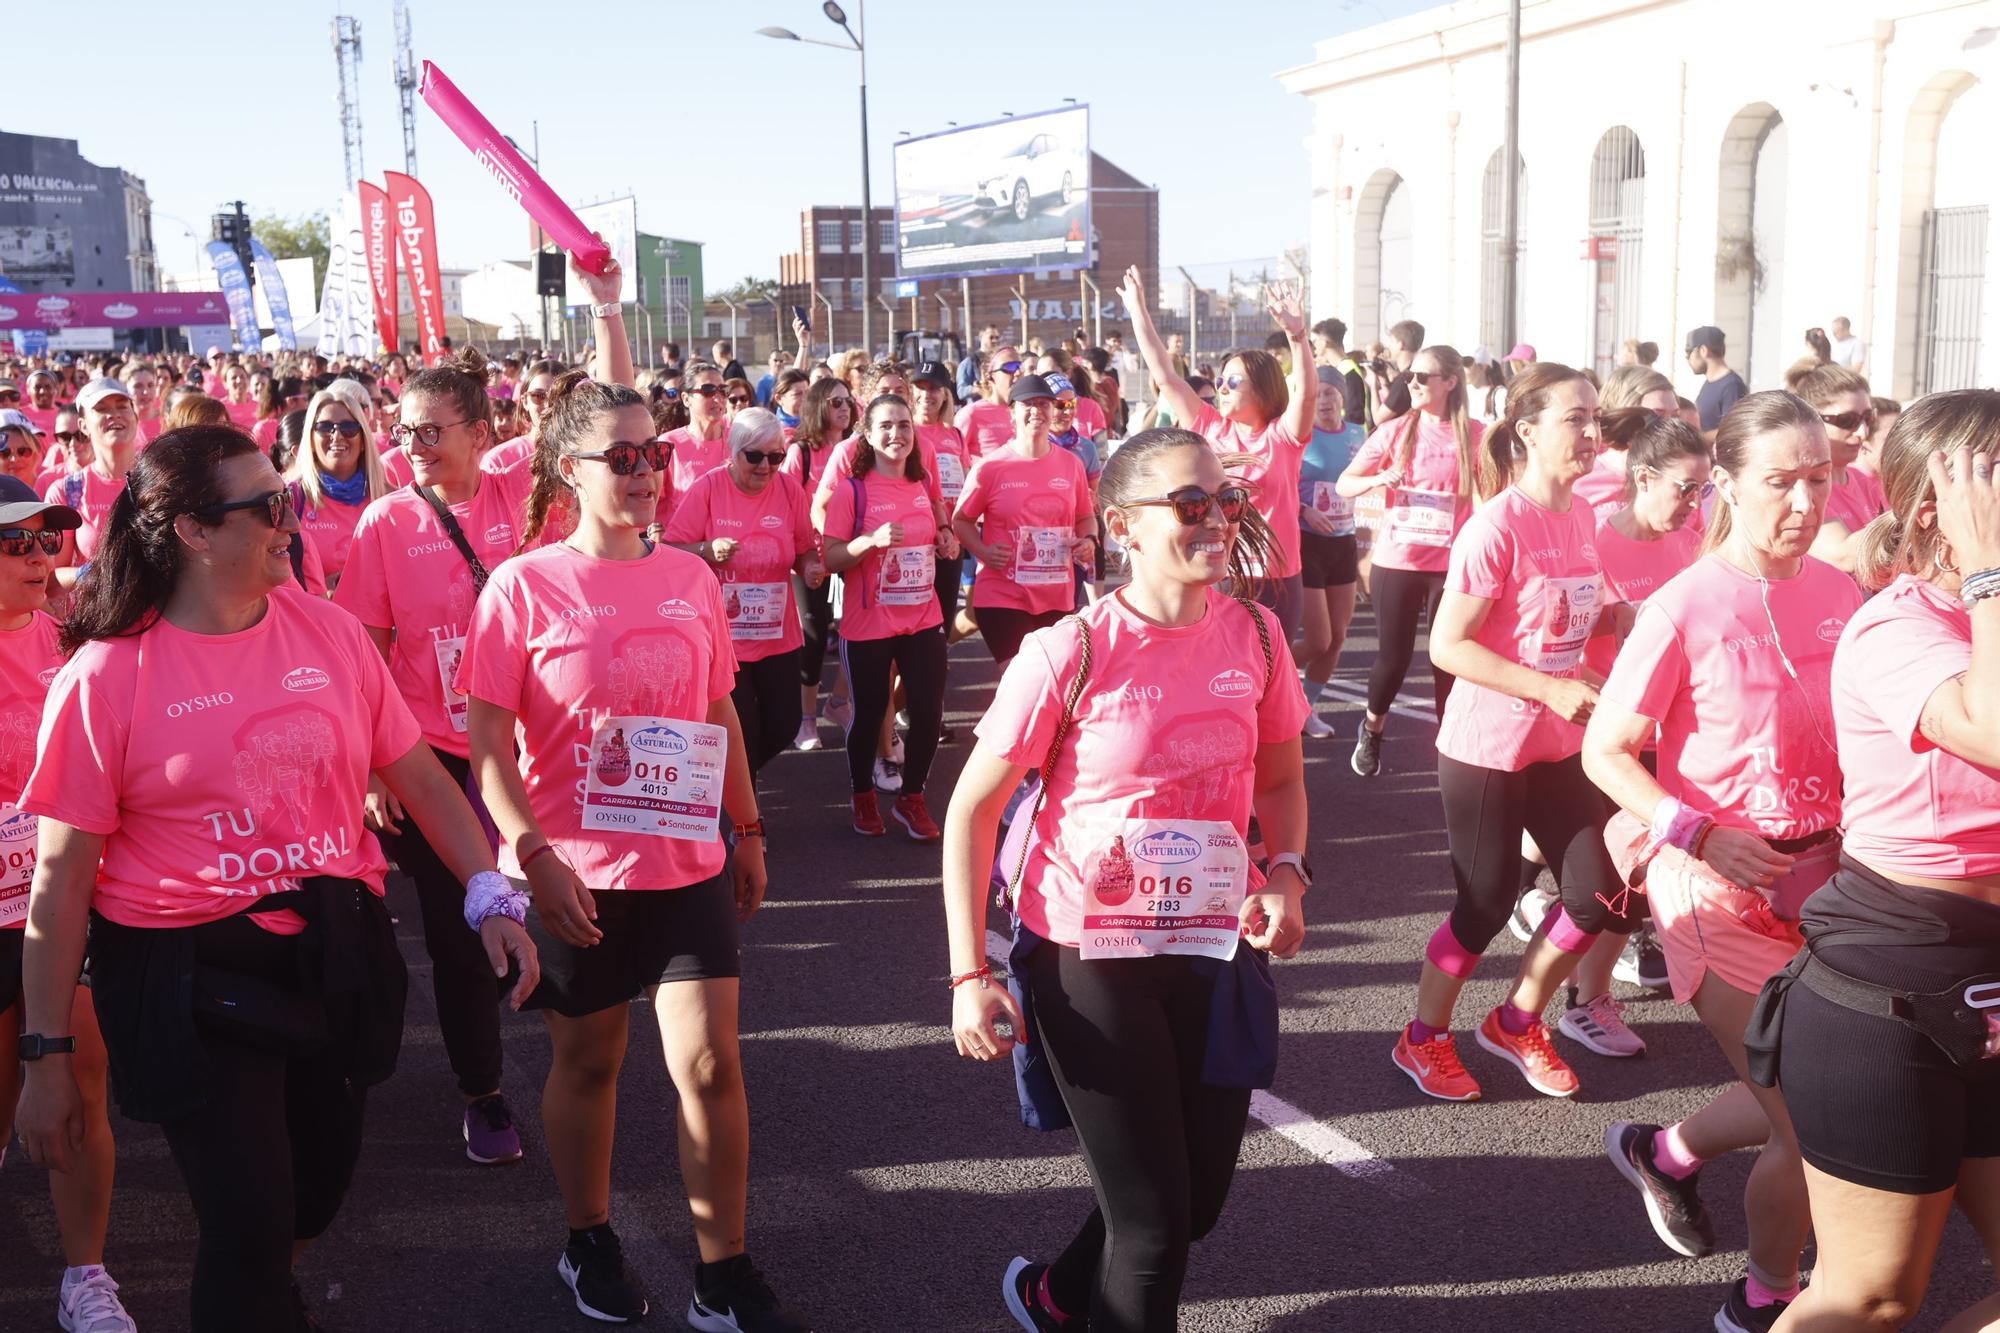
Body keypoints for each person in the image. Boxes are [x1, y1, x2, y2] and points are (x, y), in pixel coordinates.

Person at [12, 425, 535, 1331]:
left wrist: (487, 889)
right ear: (192, 532)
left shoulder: (328, 632)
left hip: (331, 951)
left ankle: (260, 1293)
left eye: (284, 498)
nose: (289, 520)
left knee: (316, 1194)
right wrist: (48, 1054)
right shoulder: (106, 676)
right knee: (248, 1222)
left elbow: (416, 776)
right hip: (184, 971)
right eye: (267, 506)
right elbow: (59, 888)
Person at [942, 427, 1310, 1333]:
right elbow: (970, 814)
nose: (1219, 519)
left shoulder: (1257, 636)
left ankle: (1059, 1295)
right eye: (1191, 504)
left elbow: (1281, 778)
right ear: (1122, 527)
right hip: (1087, 954)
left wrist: (1290, 875)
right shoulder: (1068, 652)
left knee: (1195, 1207)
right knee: (1150, 1231)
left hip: (1210, 943)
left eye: (1226, 501)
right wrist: (967, 973)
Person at [461, 372, 809, 1332]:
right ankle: (589, 1236)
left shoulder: (692, 576)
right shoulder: (521, 587)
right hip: (578, 875)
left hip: (688, 860)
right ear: (570, 471)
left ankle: (724, 1272)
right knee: (590, 1064)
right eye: (623, 457)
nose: (647, 471)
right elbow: (487, 743)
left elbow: (716, 705)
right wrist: (530, 854)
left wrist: (748, 826)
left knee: (710, 1066)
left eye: (655, 453)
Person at [1579, 390, 1855, 1333]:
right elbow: (1606, 749)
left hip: (1827, 883)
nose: (1805, 502)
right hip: (1713, 890)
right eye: (1781, 481)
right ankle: (1764, 1298)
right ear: (1728, 486)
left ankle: (1667, 1152)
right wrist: (1694, 829)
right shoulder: (1683, 603)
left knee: (1815, 1076)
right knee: (1811, 1123)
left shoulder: (1838, 589)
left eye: (1820, 479)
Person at [1741, 390, 2000, 1332]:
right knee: (1873, 1296)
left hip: (1991, 982)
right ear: (1941, 505)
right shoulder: (1896, 628)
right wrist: (1989, 570)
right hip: (1890, 992)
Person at [1387, 363, 1639, 1107]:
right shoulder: (1494, 526)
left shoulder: (1584, 515)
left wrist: (1618, 619)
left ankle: (1517, 1019)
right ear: (1528, 430)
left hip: (1558, 741)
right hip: (1487, 747)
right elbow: (1450, 645)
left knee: (1600, 892)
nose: (1593, 432)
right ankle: (1423, 1037)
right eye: (1576, 418)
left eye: (1597, 417)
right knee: (1485, 903)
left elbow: (1560, 615)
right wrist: (1551, 687)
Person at [334, 348, 537, 1163]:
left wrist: (603, 303)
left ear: (482, 432)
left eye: (431, 429)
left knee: (541, 907)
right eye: (404, 429)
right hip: (433, 759)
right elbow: (366, 656)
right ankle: (482, 1092)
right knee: (463, 934)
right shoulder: (385, 522)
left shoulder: (520, 489)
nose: (412, 443)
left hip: (530, 748)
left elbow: (600, 396)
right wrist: (377, 769)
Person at [0, 477, 137, 1332]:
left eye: (46, 539)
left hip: (66, 895)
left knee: (80, 1074)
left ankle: (85, 1272)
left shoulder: (77, 633)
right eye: (14, 543)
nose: (37, 555)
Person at [1118, 265, 1316, 643]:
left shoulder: (1283, 437)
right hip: (1221, 571)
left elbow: (1306, 394)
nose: (1221, 387)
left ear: (1262, 387)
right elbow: (1165, 376)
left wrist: (1297, 335)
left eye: (1233, 381)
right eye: (1221, 380)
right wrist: (1137, 310)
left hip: (1278, 578)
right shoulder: (1209, 427)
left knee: (1270, 671)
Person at [1337, 345, 1494, 777]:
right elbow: (1344, 484)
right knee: (1394, 656)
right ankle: (1372, 729)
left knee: (1449, 658)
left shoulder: (1475, 435)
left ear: (1450, 382)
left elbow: (1487, 497)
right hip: (1399, 561)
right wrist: (1379, 478)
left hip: (1450, 566)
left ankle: (1453, 747)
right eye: (1410, 376)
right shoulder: (1395, 432)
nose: (1413, 384)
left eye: (1423, 377)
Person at [820, 393, 958, 840]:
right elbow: (831, 556)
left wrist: (944, 539)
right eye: (885, 426)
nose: (896, 434)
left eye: (903, 425)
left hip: (922, 617)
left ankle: (911, 798)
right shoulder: (852, 490)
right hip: (868, 625)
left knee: (928, 712)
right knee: (871, 711)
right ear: (868, 434)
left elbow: (937, 526)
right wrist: (870, 542)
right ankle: (862, 795)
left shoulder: (920, 483)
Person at [663, 408, 824, 777]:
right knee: (741, 731)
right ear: (733, 453)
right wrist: (707, 550)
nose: (765, 466)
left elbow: (803, 548)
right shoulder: (709, 487)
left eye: (775, 457)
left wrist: (811, 567)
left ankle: (731, 783)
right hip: (724, 638)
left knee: (785, 725)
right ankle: (747, 820)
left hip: (776, 634)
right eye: (754, 456)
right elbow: (669, 551)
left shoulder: (788, 490)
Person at [952, 374, 1096, 665]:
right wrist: (983, 552)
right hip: (1003, 596)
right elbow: (961, 521)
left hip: (1057, 594)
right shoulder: (990, 468)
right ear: (1012, 413)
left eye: (1044, 403)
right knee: (1021, 679)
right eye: (1027, 404)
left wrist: (1089, 540)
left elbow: (1085, 516)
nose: (1037, 410)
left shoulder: (1071, 465)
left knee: (1053, 682)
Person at [781, 376, 859, 750]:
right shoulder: (802, 452)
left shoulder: (860, 450)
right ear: (817, 407)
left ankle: (839, 702)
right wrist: (804, 557)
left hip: (850, 556)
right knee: (812, 639)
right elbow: (785, 505)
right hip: (810, 558)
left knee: (856, 634)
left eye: (847, 401)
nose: (843, 408)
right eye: (834, 402)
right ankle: (806, 720)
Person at [1297, 374, 1364, 739]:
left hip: (1344, 542)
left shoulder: (1359, 435)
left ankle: (1306, 709)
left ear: (1342, 395)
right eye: (1317, 393)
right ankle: (1260, 678)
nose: (1323, 400)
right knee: (1318, 640)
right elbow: (1275, 484)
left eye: (1330, 392)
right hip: (1307, 543)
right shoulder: (1299, 434)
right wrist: (1304, 510)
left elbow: (1369, 484)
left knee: (1338, 637)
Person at [288, 380, 390, 587]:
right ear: (311, 438)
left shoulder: (389, 498)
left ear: (363, 440)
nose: (336, 436)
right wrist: (321, 590)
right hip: (314, 617)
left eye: (349, 427)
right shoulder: (291, 500)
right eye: (324, 427)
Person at [1790, 363, 1886, 577]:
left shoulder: (1865, 480)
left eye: (1868, 418)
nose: (1862, 432)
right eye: (1847, 421)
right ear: (1811, 420)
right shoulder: (1801, 489)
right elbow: (1843, 557)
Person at [1576, 367, 1678, 515]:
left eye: (1675, 417)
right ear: (1623, 413)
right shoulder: (1582, 478)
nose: (1671, 427)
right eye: (1656, 416)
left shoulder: (1680, 479)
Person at [664, 360, 734, 526]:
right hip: (683, 544)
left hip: (733, 544)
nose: (718, 398)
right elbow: (651, 502)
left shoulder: (740, 441)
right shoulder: (668, 444)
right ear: (686, 399)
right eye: (708, 391)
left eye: (723, 391)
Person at [955, 346, 1023, 459]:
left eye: (1020, 367)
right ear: (990, 376)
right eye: (1010, 367)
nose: (1017, 373)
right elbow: (953, 460)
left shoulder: (1026, 411)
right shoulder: (971, 414)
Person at [1686, 327, 1748, 441]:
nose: (1688, 358)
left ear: (1703, 350)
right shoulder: (1709, 382)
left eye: (1689, 352)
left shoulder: (1732, 386)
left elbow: (1733, 429)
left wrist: (1698, 440)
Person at [958, 324, 1001, 404]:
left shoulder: (999, 360)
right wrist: (978, 388)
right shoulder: (970, 361)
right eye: (991, 337)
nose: (995, 340)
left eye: (997, 337)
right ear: (981, 337)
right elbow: (961, 391)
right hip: (979, 409)